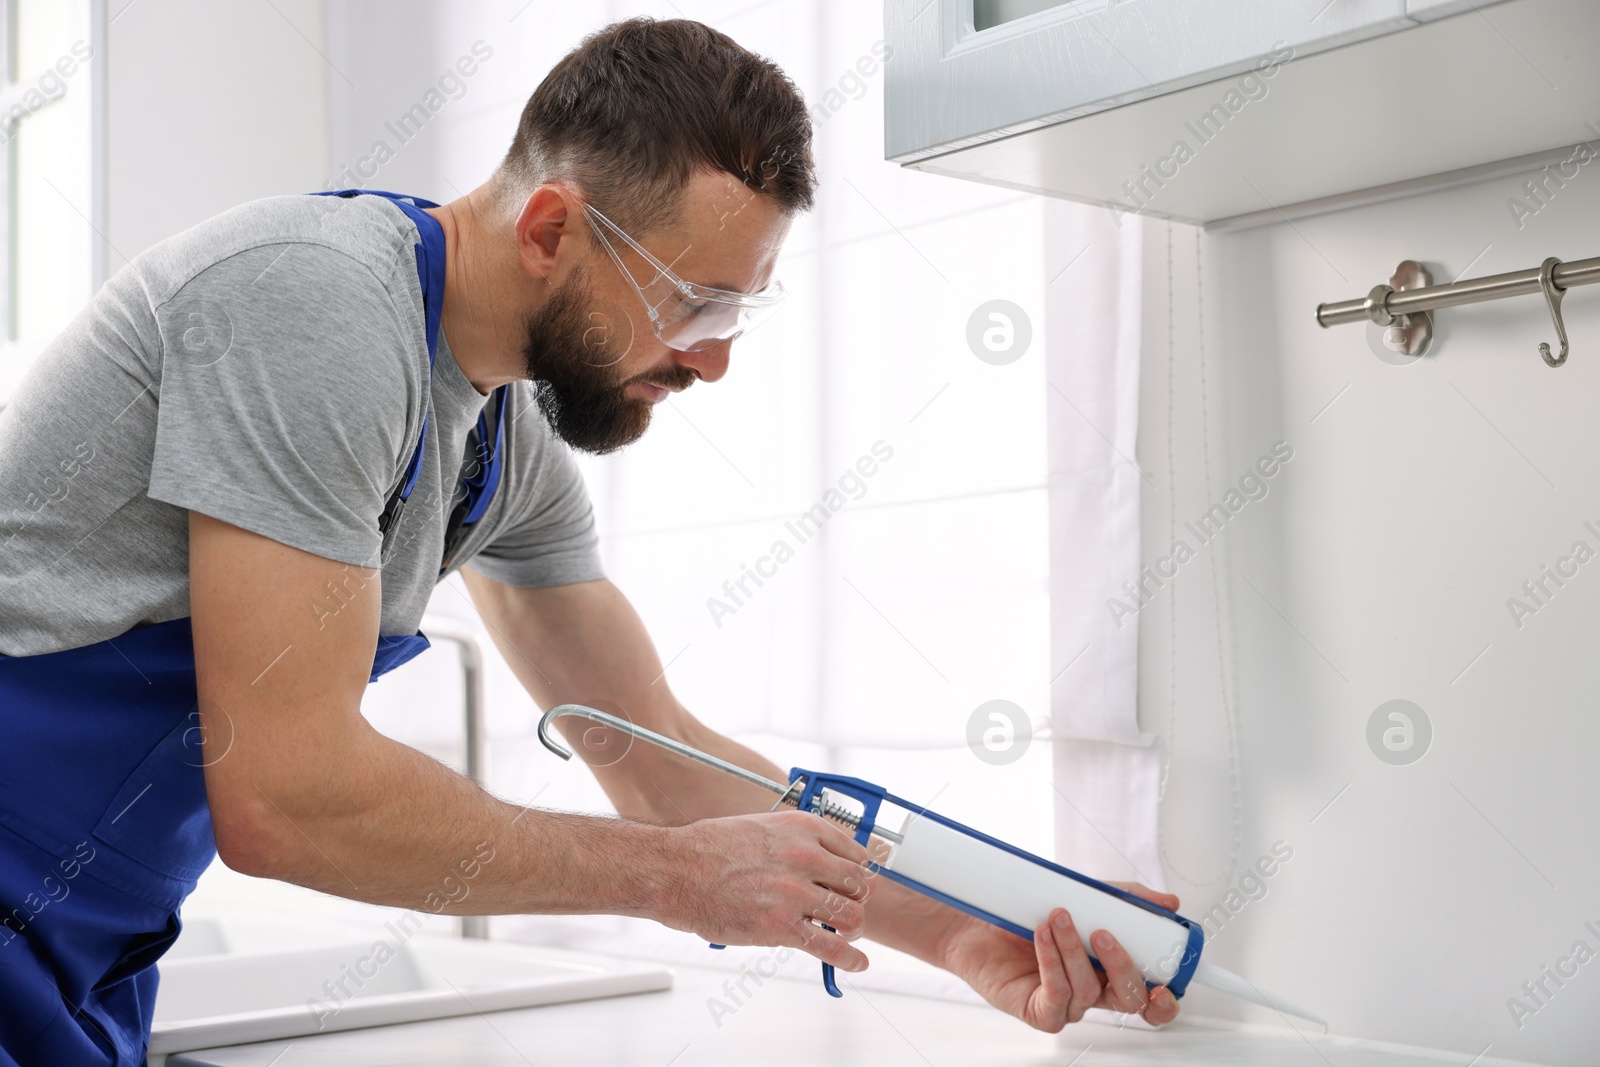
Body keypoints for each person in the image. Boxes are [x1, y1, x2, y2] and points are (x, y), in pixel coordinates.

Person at [0, 17, 1179, 1065]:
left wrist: (972, 933)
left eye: (739, 313)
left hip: (81, 951)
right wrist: (671, 880)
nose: (713, 356)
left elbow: (658, 754)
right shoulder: (314, 306)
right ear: (552, 225)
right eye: (696, 302)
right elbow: (287, 796)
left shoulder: (500, 449)